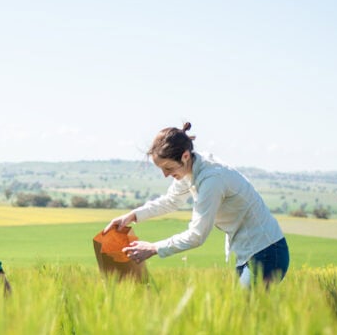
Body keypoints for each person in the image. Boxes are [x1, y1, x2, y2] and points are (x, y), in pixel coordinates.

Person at [104, 122, 289, 287]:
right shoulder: (190, 168)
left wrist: (153, 248)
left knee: (243, 315)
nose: (166, 175)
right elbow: (171, 201)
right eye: (161, 169)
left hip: (266, 253)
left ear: (185, 156)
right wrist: (133, 215)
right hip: (250, 253)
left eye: (168, 168)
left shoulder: (212, 180)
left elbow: (197, 235)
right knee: (246, 318)